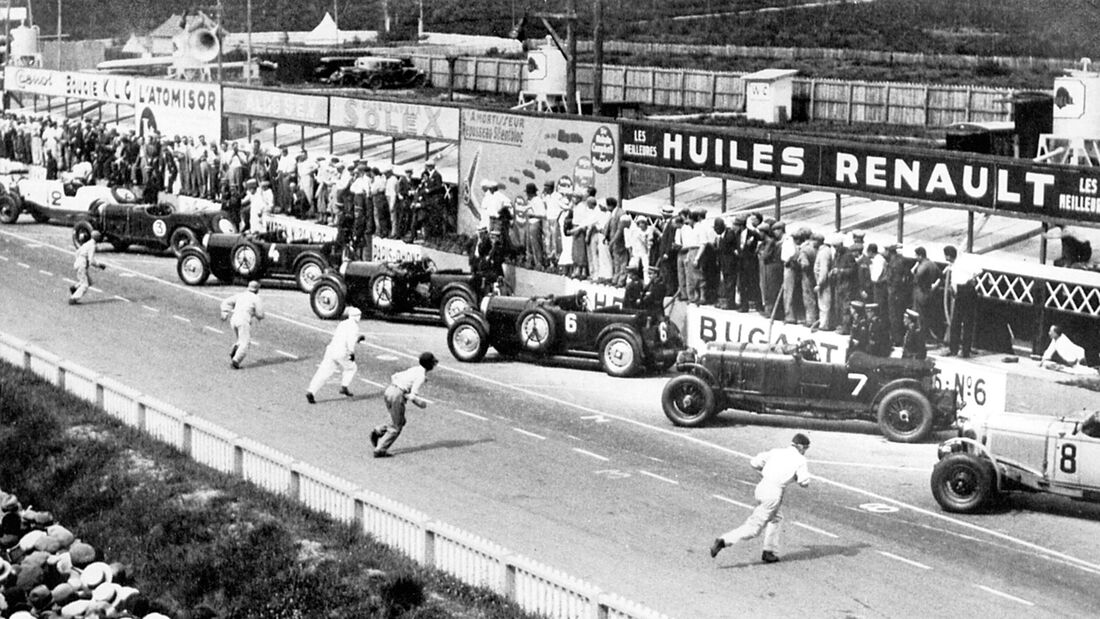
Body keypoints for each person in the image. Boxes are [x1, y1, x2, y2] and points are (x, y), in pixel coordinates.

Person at [709, 433, 812, 564]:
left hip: (761, 487)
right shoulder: (800, 460)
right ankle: (724, 540)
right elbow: (804, 482)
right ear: (801, 447)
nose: (805, 452)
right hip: (774, 493)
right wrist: (795, 477)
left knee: (776, 518)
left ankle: (769, 551)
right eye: (806, 449)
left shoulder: (776, 452)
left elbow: (754, 462)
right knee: (754, 528)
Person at [370, 352, 439, 458]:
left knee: (399, 420)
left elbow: (395, 376)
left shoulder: (415, 369)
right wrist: (421, 404)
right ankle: (380, 449)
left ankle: (378, 431)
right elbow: (412, 396)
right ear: (430, 365)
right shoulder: (420, 376)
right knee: (396, 426)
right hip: (397, 396)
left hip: (389, 390)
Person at [307, 307, 366, 404]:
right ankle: (344, 386)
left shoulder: (342, 323)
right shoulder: (354, 326)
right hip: (342, 352)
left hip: (331, 350)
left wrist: (357, 339)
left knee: (323, 372)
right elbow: (350, 341)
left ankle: (311, 391)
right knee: (352, 368)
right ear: (356, 317)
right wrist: (351, 353)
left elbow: (342, 337)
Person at [944, 245, 982, 358]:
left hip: (967, 291)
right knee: (955, 321)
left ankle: (965, 351)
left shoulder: (963, 263)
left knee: (967, 322)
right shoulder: (954, 265)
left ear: (949, 256)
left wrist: (970, 279)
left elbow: (979, 271)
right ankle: (953, 349)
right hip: (959, 293)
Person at [220, 280, 265, 369]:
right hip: (244, 321)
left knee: (240, 339)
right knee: (245, 343)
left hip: (234, 319)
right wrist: (257, 315)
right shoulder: (256, 299)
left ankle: (236, 348)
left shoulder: (241, 295)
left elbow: (226, 302)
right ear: (257, 289)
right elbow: (260, 314)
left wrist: (225, 311)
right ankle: (236, 360)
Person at [69, 231, 106, 304]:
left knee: (89, 282)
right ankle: (73, 299)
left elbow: (77, 252)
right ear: (97, 238)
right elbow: (91, 260)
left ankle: (75, 288)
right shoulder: (92, 246)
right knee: (85, 285)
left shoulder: (87, 243)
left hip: (78, 263)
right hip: (82, 266)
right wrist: (99, 265)